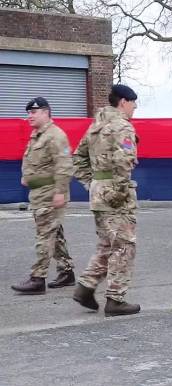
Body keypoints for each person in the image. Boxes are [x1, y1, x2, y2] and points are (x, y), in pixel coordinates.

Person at [71, 84, 141, 317]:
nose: (135, 107)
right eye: (133, 103)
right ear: (123, 102)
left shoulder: (96, 126)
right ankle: (115, 299)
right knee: (123, 246)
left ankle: (86, 287)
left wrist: (93, 184)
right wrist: (118, 192)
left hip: (99, 194)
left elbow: (78, 158)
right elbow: (124, 162)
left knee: (107, 245)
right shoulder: (122, 126)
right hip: (116, 198)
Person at [11, 97, 76, 294]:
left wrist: (60, 192)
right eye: (28, 113)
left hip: (50, 193)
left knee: (45, 236)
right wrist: (26, 175)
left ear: (46, 113)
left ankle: (37, 278)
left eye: (33, 112)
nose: (29, 116)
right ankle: (67, 272)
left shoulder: (56, 136)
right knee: (54, 235)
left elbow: (64, 165)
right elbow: (33, 160)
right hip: (38, 194)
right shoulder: (37, 135)